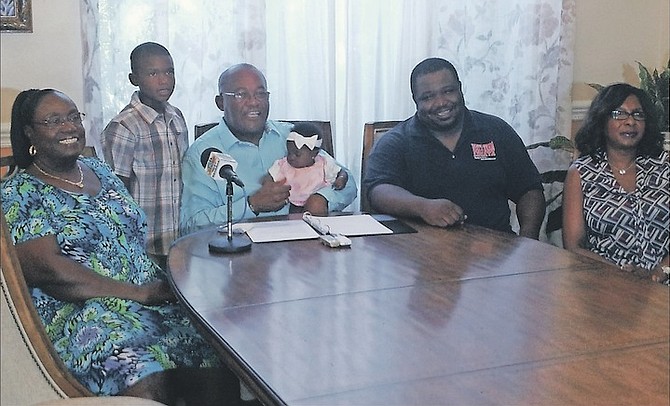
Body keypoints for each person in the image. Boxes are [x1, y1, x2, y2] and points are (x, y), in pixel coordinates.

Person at [2, 89, 243, 405]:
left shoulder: (99, 170)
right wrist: (138, 293)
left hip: (152, 299)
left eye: (74, 117)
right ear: (29, 132)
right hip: (87, 314)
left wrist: (173, 282)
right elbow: (50, 271)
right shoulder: (18, 192)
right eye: (53, 120)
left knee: (223, 350)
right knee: (141, 368)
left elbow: (131, 239)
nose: (69, 127)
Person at [363, 57, 546, 238]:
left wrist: (527, 241)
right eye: (428, 97)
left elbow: (529, 189)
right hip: (421, 256)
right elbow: (378, 190)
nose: (441, 102)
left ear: (460, 88)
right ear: (415, 99)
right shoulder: (396, 142)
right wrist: (423, 207)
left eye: (448, 91)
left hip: (496, 252)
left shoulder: (496, 131)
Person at [180, 63, 357, 234]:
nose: (254, 102)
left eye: (260, 94)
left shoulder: (291, 136)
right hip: (240, 254)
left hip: (304, 248)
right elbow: (192, 224)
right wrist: (251, 205)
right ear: (220, 102)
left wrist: (323, 199)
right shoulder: (202, 154)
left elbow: (348, 183)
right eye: (241, 95)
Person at [562, 83, 669, 284]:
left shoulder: (664, 166)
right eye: (619, 114)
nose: (630, 122)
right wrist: (622, 275)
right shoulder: (581, 172)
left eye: (638, 115)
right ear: (602, 120)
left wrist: (659, 272)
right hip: (606, 282)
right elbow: (574, 246)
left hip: (665, 281)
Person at [100, 42, 188, 268]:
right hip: (145, 244)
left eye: (169, 71)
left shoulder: (176, 117)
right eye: (153, 73)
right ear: (134, 79)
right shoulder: (124, 126)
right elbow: (117, 193)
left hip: (180, 239)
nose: (164, 80)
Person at [267, 122, 348, 213]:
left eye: (297, 154)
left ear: (314, 154)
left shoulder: (324, 163)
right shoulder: (283, 165)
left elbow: (341, 172)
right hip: (292, 204)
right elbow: (270, 177)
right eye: (289, 152)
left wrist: (341, 179)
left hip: (316, 204)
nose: (291, 157)